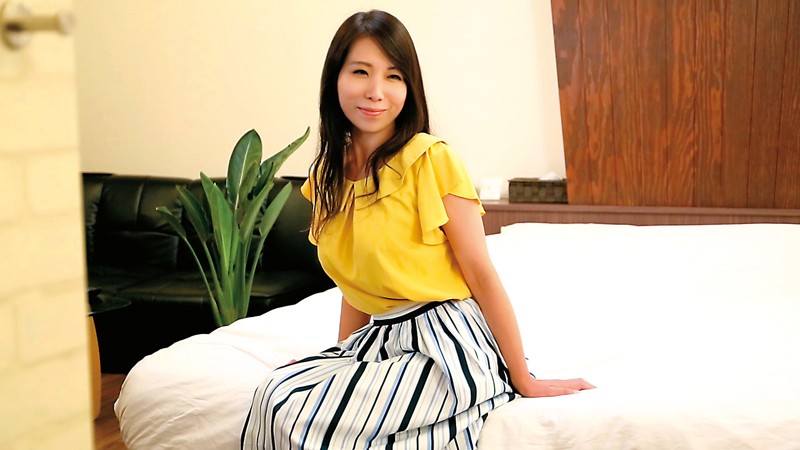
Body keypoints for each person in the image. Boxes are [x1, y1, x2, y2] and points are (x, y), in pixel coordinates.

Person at [241, 9, 594, 449]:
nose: (376, 91)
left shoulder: (431, 159)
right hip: (381, 339)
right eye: (360, 72)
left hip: (446, 344)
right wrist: (341, 362)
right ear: (335, 79)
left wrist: (522, 377)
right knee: (271, 392)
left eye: (394, 76)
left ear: (409, 87)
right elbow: (356, 284)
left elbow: (481, 274)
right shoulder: (328, 176)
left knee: (291, 410)